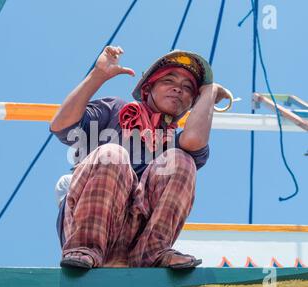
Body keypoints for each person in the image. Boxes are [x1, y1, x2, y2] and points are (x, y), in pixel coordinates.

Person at [50, 46, 231, 269]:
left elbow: (193, 140)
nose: (178, 90)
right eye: (168, 81)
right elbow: (62, 126)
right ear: (148, 87)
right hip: (92, 226)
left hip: (138, 244)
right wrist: (98, 75)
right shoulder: (116, 109)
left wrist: (209, 93)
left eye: (187, 88)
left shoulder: (176, 142)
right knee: (113, 154)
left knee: (182, 161)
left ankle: (153, 253)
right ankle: (86, 248)